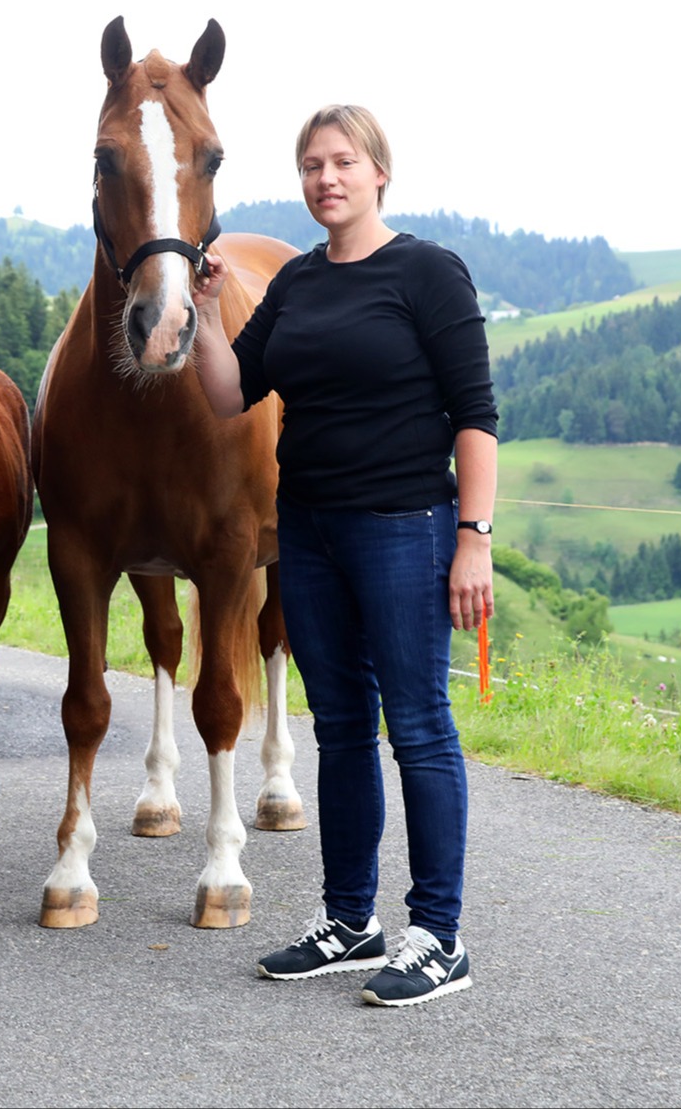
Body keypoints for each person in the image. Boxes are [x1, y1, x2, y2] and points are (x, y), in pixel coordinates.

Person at [191, 105, 497, 1007]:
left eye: (342, 162)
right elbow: (227, 393)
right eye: (311, 165)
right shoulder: (294, 284)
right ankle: (350, 921)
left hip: (406, 525)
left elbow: (475, 415)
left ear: (377, 174)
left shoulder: (426, 273)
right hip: (310, 532)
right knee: (340, 727)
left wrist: (472, 539)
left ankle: (438, 936)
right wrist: (207, 315)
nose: (326, 178)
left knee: (418, 725)